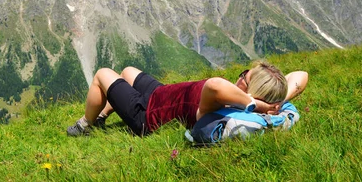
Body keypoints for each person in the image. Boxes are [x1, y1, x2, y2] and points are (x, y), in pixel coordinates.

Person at [67, 61, 309, 137]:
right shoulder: (241, 99)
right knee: (128, 71)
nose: (241, 75)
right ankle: (101, 114)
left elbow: (214, 84)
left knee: (102, 75)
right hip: (163, 95)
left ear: (250, 92)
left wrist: (253, 103)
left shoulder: (224, 102)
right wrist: (275, 103)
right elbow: (302, 76)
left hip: (148, 116)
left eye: (246, 76)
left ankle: (85, 125)